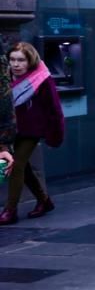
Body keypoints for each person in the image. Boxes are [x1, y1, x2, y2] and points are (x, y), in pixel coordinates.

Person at [4, 42, 64, 222]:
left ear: (30, 61)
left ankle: (10, 211)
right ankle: (44, 200)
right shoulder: (5, 77)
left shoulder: (42, 78)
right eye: (12, 60)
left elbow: (53, 108)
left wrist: (55, 133)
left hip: (32, 129)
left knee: (16, 165)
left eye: (21, 60)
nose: (16, 64)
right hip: (10, 129)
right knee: (24, 168)